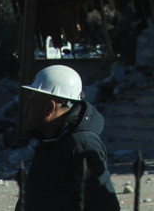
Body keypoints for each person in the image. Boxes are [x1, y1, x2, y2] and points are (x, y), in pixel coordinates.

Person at [19, 64, 120, 211]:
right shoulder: (52, 140)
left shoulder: (81, 144)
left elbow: (104, 205)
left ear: (50, 108)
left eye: (32, 103)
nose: (28, 109)